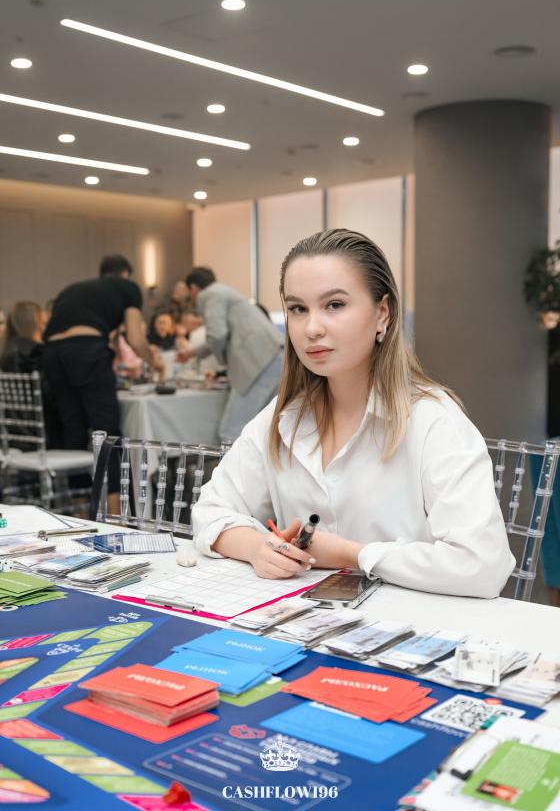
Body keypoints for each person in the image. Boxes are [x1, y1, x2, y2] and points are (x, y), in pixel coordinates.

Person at [192, 228, 514, 599]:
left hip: (414, 625)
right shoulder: (282, 418)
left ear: (382, 313)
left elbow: (482, 565)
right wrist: (257, 548)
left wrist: (353, 554)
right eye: (298, 309)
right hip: (301, 622)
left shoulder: (433, 421)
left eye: (334, 305)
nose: (312, 328)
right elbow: (210, 510)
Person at [43, 254, 161, 512]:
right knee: (107, 433)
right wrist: (155, 362)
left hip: (51, 354)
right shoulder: (128, 288)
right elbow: (136, 338)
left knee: (73, 431)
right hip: (85, 349)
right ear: (126, 274)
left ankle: (80, 511)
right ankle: (115, 514)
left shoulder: (76, 290)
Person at [181, 267, 284, 441]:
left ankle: (229, 461)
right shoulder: (224, 292)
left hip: (256, 362)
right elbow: (223, 334)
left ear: (193, 288)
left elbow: (216, 335)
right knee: (265, 431)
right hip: (274, 357)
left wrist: (223, 363)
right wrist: (193, 352)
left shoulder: (208, 295)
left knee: (231, 431)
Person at [0, 301, 63, 449]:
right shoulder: (34, 352)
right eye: (43, 322)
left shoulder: (5, 352)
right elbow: (50, 395)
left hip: (13, 432)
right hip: (41, 432)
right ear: (35, 322)